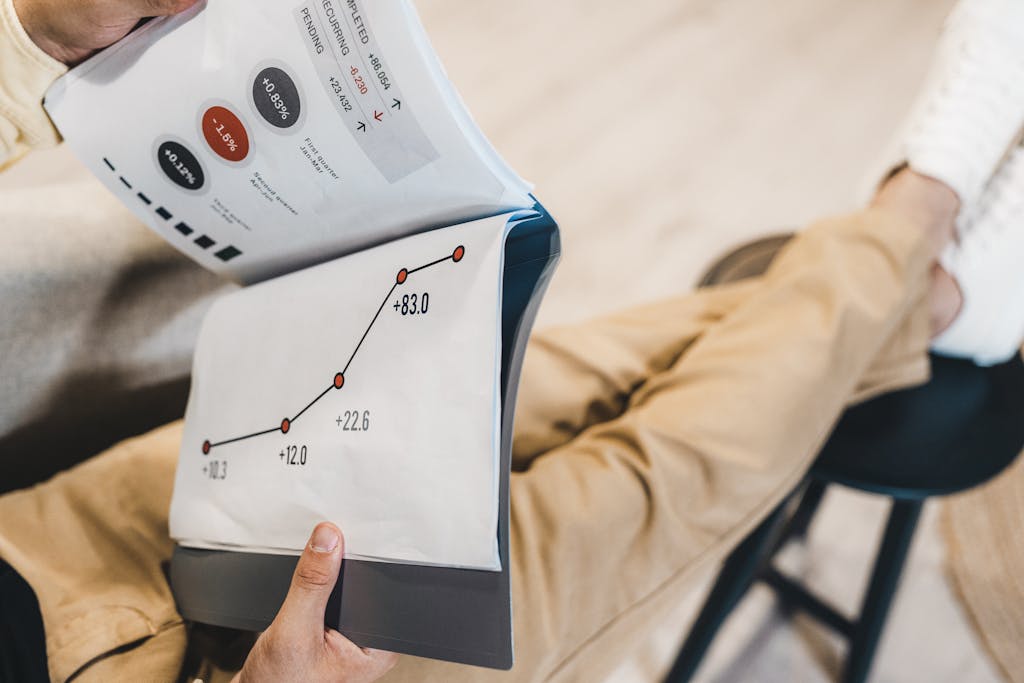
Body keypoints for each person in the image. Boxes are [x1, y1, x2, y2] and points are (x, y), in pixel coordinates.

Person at [1, 0, 1023, 681]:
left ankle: (929, 295)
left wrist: (33, 28)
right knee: (656, 477)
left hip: (42, 539)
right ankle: (919, 207)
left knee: (531, 366)